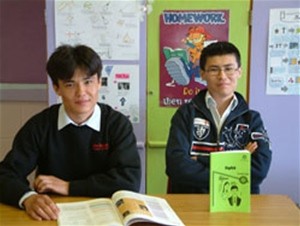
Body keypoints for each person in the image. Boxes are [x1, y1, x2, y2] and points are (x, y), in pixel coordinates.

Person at [0, 44, 141, 221]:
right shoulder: (40, 125)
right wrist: (28, 198)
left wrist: (69, 187)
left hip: (106, 216)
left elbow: (129, 181)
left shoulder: (117, 124)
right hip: (53, 215)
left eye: (88, 82)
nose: (81, 93)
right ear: (57, 88)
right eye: (70, 84)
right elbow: (5, 175)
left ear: (99, 82)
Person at [166, 41, 272, 194]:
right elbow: (176, 167)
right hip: (191, 202)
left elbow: (258, 171)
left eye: (229, 69)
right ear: (203, 74)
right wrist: (237, 163)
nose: (222, 76)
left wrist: (201, 159)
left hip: (237, 201)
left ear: (239, 72)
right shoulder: (186, 114)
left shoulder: (252, 119)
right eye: (214, 70)